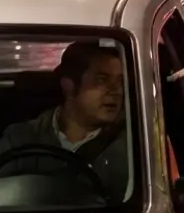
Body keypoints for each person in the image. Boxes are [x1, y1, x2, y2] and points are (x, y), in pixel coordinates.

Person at [0, 41, 128, 198]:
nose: (116, 91)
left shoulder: (133, 145)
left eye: (120, 82)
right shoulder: (20, 137)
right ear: (69, 86)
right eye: (102, 80)